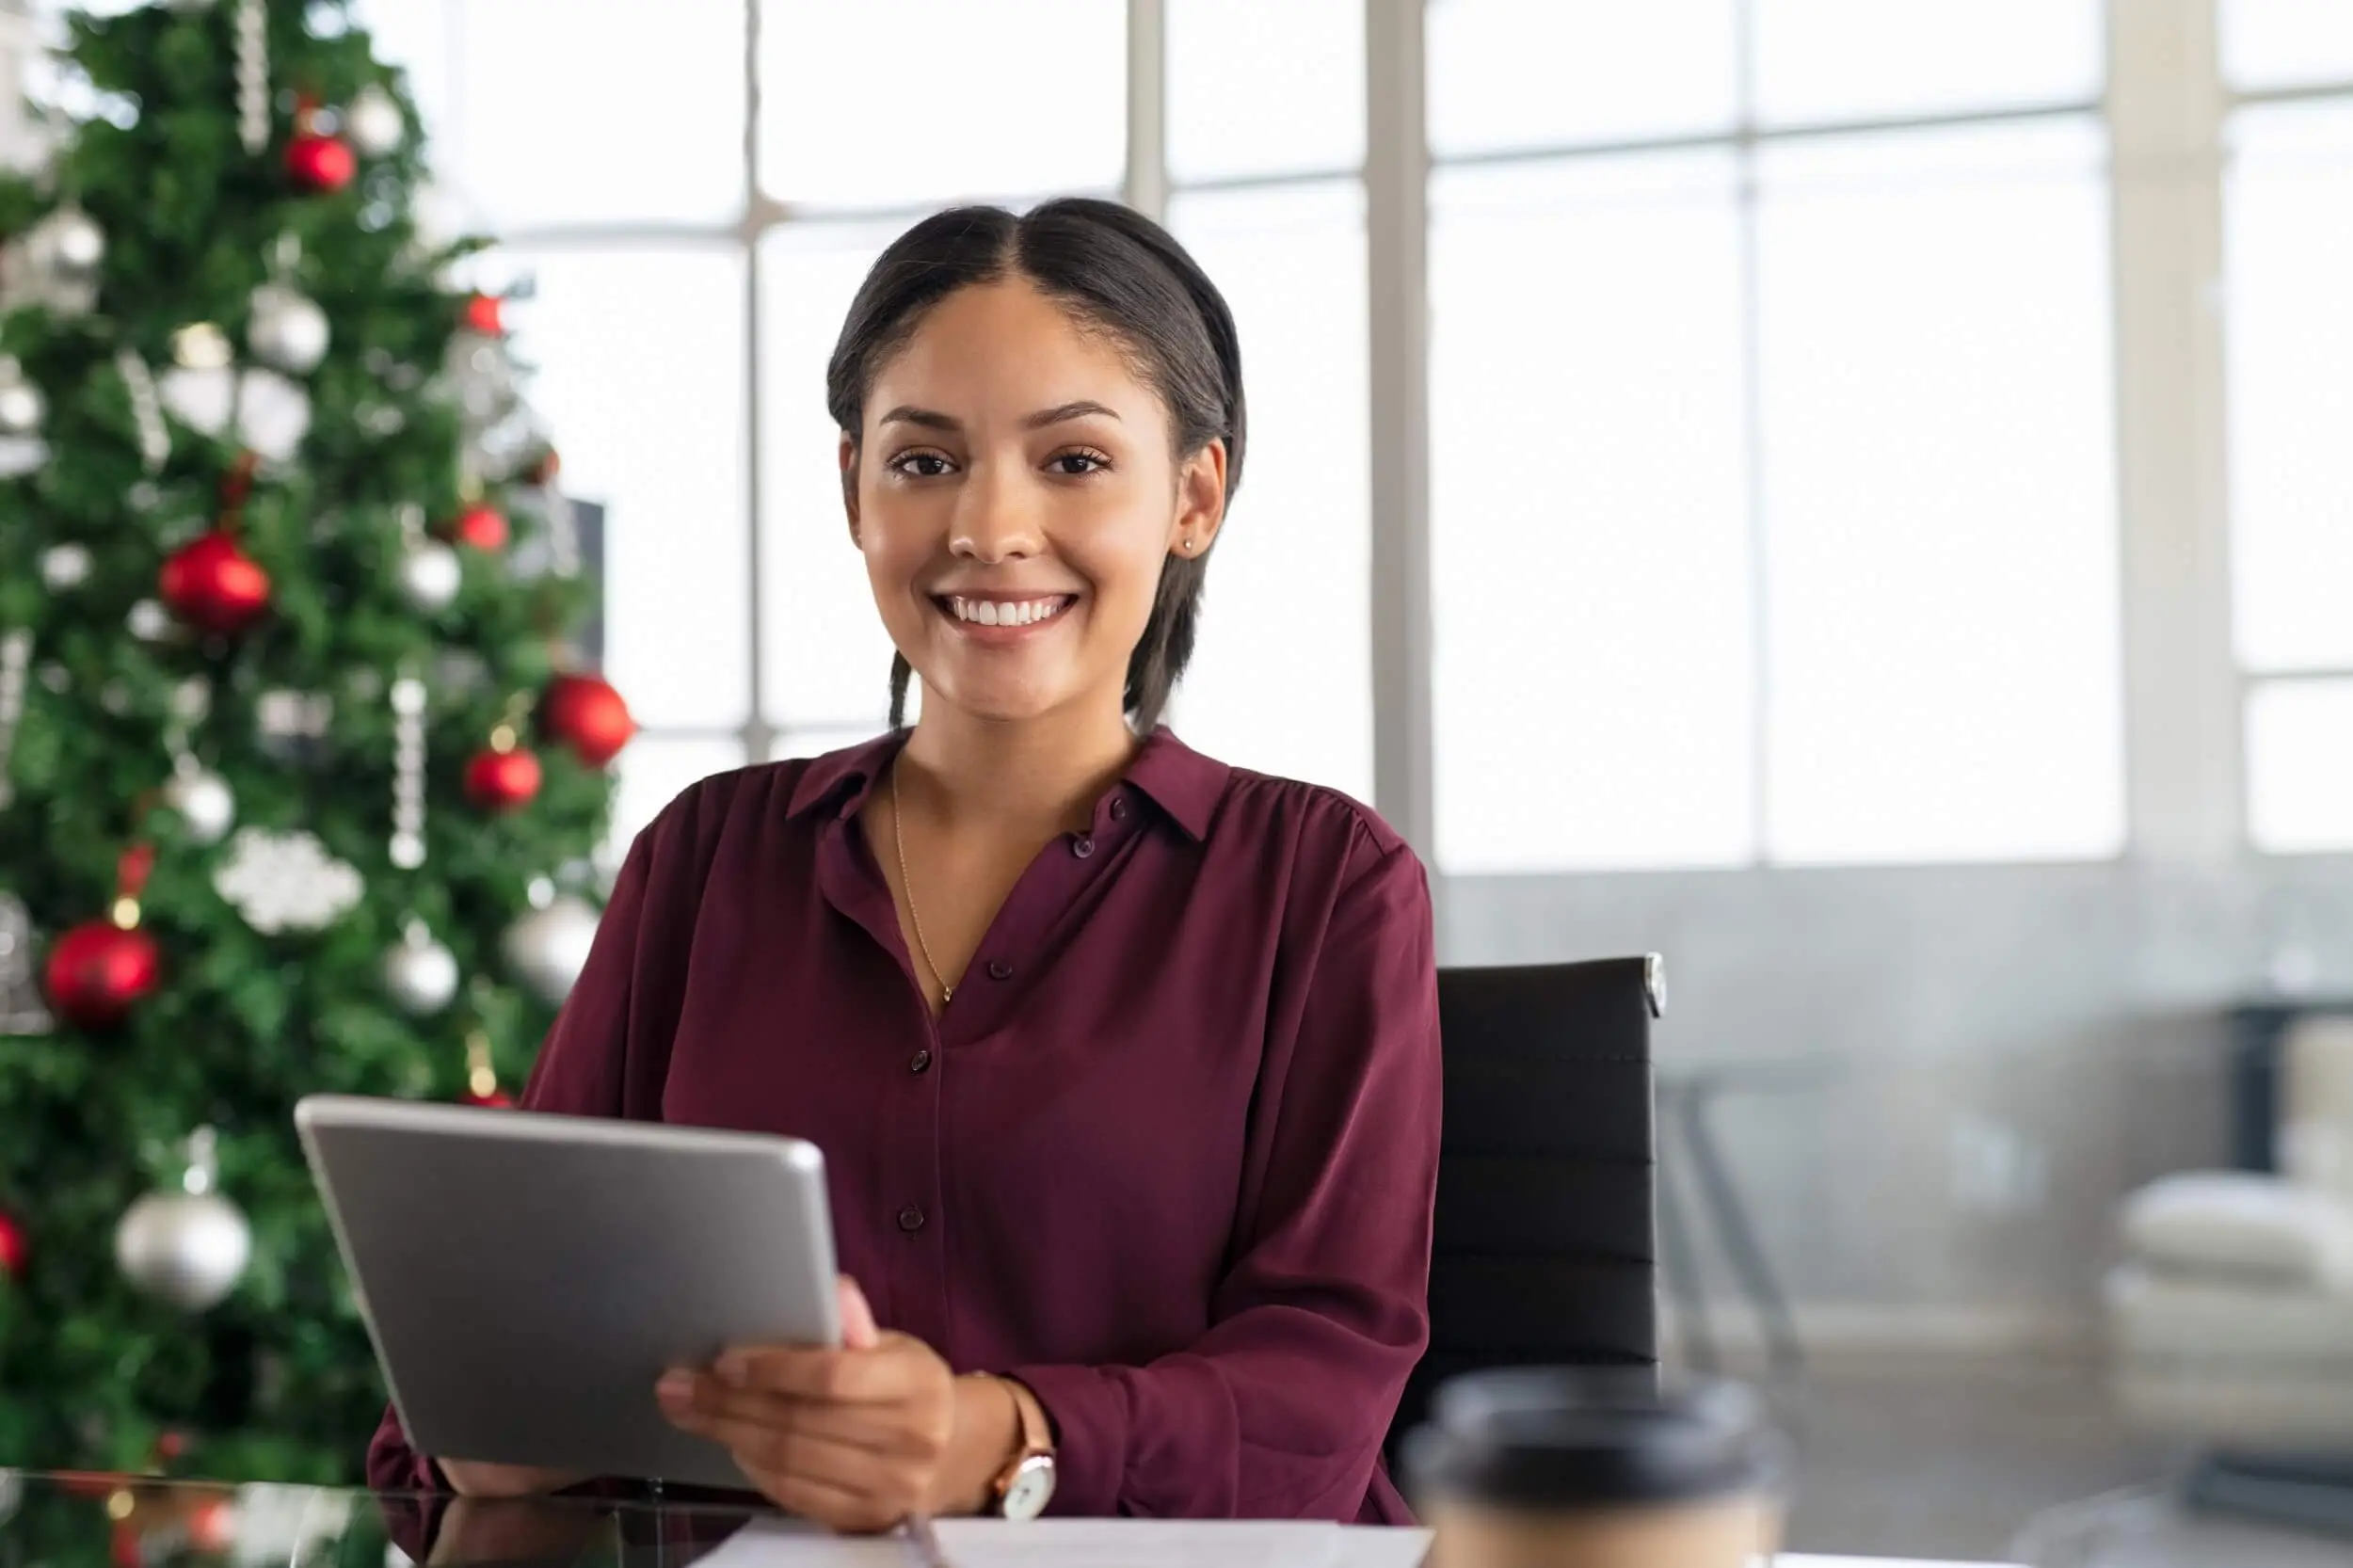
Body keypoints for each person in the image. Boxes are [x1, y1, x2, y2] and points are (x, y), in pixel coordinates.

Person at [367, 198, 1442, 1532]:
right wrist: (498, 1431)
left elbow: (1320, 1401)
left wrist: (994, 1442)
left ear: (1195, 496)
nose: (989, 526)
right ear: (852, 490)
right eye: (925, 461)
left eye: (1075, 462)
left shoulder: (1325, 884)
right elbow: (515, 1345)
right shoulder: (704, 861)